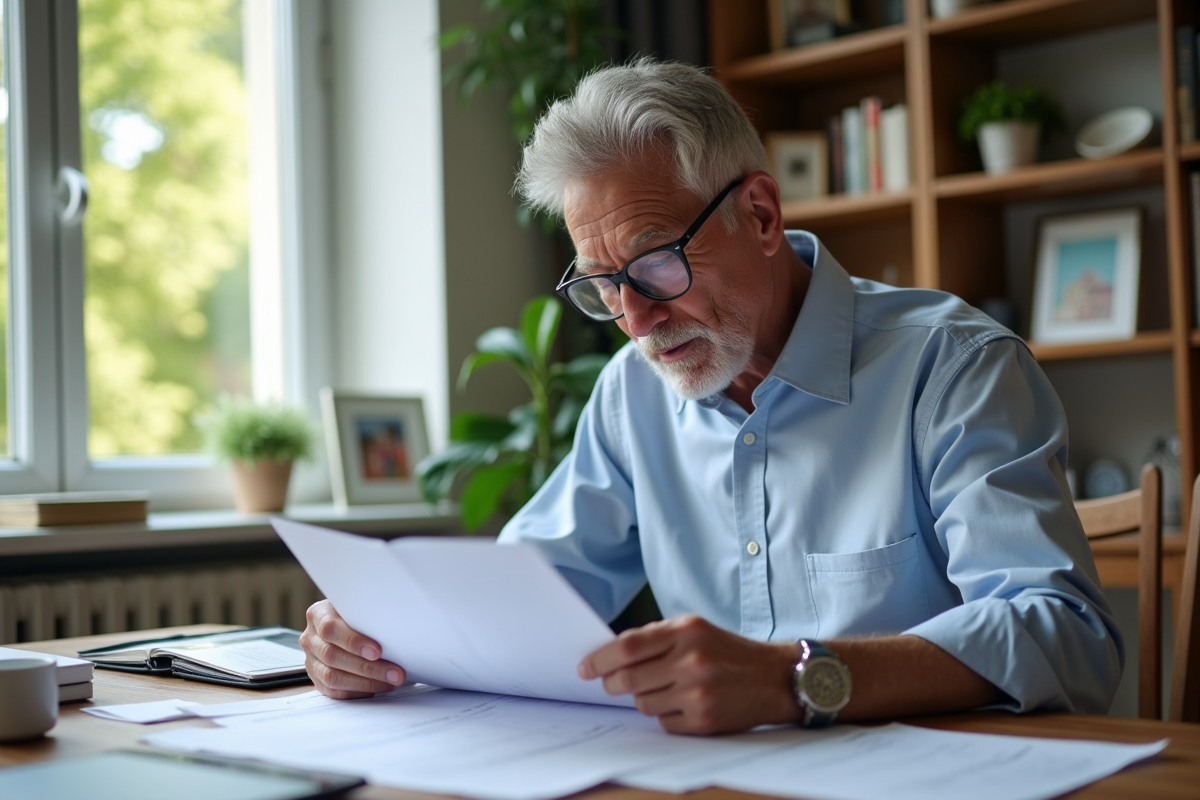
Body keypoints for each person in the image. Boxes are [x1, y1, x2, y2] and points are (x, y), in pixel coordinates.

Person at [300, 58, 1122, 735]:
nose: (637, 320)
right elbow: (524, 598)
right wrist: (378, 637)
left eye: (655, 265)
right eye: (603, 286)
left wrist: (796, 678)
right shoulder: (633, 393)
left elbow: (1067, 634)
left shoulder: (952, 367)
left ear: (760, 215)